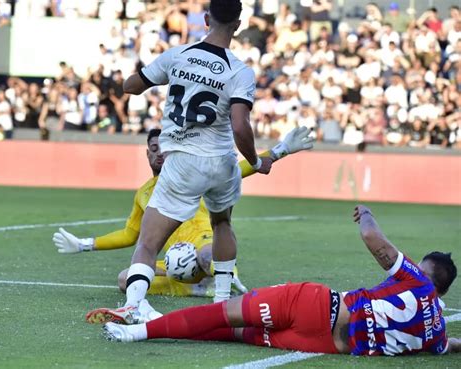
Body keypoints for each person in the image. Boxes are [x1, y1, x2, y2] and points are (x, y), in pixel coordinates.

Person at [88, 0, 275, 323]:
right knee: (222, 224)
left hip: (184, 162)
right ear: (238, 25)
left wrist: (129, 82)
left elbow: (132, 86)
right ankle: (220, 301)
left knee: (147, 242)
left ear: (205, 19)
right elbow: (241, 126)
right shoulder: (240, 72)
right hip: (221, 161)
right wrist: (256, 161)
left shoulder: (179, 56)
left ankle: (133, 305)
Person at [102, 205, 460, 356]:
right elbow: (451, 345)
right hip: (321, 344)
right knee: (235, 333)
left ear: (428, 277)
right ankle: (154, 324)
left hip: (318, 305)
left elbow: (373, 241)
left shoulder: (417, 281)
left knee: (224, 315)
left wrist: (365, 214)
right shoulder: (437, 335)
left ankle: (137, 330)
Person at [53, 127, 314, 302]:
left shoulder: (191, 174)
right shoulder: (144, 193)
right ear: (147, 153)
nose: (159, 154)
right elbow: (130, 235)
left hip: (204, 243)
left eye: (164, 149)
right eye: (154, 149)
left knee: (205, 254)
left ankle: (227, 278)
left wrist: (281, 150)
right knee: (125, 279)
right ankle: (196, 288)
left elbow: (240, 168)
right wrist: (85, 244)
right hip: (175, 262)